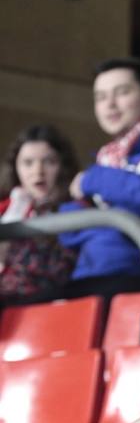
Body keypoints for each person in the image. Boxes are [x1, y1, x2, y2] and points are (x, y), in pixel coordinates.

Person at [59, 57, 140, 297]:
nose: (110, 104)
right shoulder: (106, 158)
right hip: (95, 274)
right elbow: (69, 229)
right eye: (100, 97)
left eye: (122, 92)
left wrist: (92, 180)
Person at [0, 124, 80, 304]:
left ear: (63, 166)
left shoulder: (77, 209)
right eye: (28, 163)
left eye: (49, 162)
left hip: (47, 299)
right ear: (16, 168)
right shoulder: (6, 208)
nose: (38, 172)